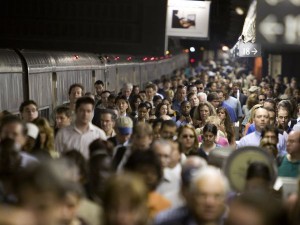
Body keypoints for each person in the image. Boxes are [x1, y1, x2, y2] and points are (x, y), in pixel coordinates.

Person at [154, 166, 229, 225]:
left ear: (225, 199)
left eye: (217, 196)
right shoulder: (166, 221)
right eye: (202, 195)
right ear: (192, 196)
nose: (209, 202)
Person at [124, 150, 171, 218]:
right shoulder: (121, 203)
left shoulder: (164, 205)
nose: (149, 177)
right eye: (143, 172)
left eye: (153, 172)